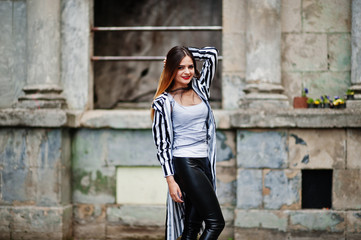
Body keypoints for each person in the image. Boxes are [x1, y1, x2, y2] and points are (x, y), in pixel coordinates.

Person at [151, 46, 224, 240]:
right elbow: (162, 144)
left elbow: (212, 55)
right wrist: (170, 180)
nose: (187, 72)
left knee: (192, 228)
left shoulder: (201, 88)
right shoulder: (163, 102)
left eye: (190, 66)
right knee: (216, 223)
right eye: (180, 67)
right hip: (185, 163)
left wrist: (181, 52)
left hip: (204, 161)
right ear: (171, 70)